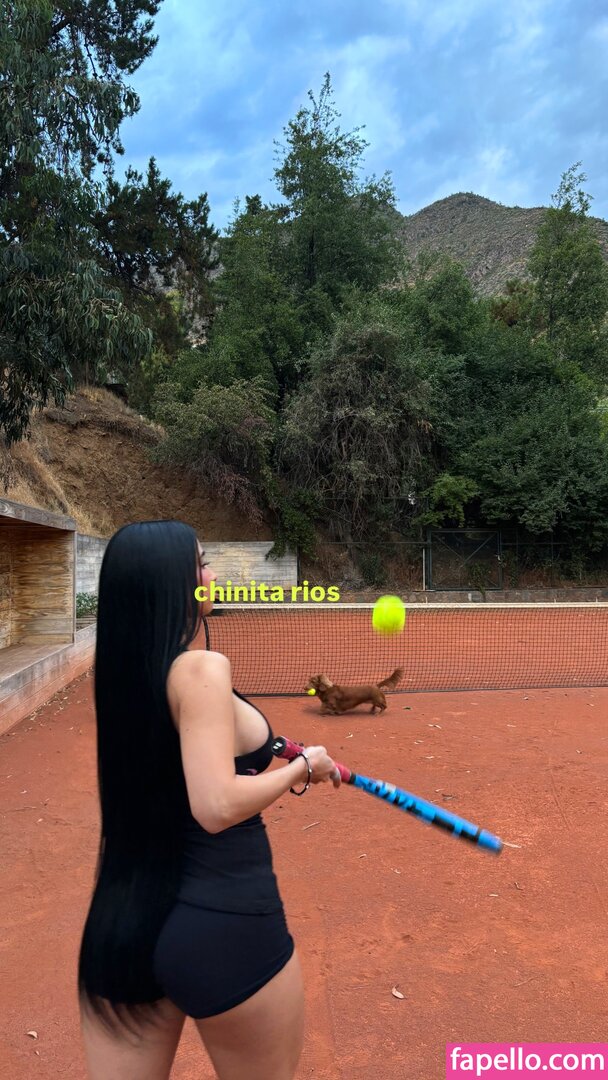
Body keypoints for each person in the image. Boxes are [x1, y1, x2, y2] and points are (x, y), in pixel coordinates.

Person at [78, 520, 341, 1080]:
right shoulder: (201, 667)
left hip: (123, 920)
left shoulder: (124, 677)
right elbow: (216, 805)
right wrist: (302, 768)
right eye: (200, 563)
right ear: (172, 583)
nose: (213, 574)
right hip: (223, 918)